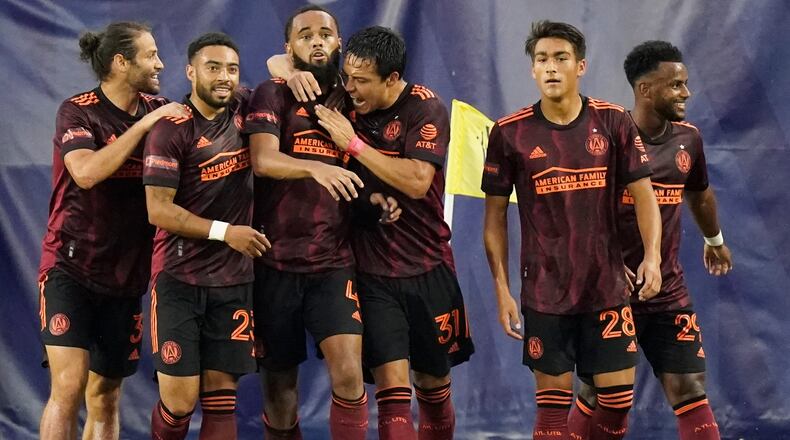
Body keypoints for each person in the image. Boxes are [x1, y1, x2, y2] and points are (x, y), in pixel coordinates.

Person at [481, 20, 662, 440]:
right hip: (546, 291)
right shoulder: (510, 133)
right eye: (541, 59)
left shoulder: (614, 121)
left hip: (607, 287)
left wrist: (651, 256)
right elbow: (493, 221)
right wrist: (502, 289)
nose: (550, 67)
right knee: (551, 414)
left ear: (580, 66)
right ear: (531, 70)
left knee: (616, 407)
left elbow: (645, 197)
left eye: (560, 58)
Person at [243, 6, 398, 439]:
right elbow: (262, 159)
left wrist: (379, 199)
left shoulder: (352, 99)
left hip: (333, 263)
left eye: (325, 34)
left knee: (349, 376)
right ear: (289, 47)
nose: (316, 41)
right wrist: (316, 167)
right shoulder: (271, 93)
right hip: (273, 263)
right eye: (305, 35)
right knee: (280, 392)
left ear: (339, 43)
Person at [315, 26, 474, 440]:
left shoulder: (426, 108)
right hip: (371, 273)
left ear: (392, 78)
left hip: (429, 266)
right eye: (346, 76)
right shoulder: (343, 99)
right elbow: (282, 67)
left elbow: (419, 181)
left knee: (434, 389)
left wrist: (354, 145)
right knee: (393, 393)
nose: (349, 88)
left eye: (361, 80)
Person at [567, 40, 732, 440]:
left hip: (667, 290)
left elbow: (699, 193)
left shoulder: (688, 139)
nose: (686, 93)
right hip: (607, 291)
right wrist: (605, 265)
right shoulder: (603, 140)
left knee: (691, 389)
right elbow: (574, 213)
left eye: (685, 83)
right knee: (602, 395)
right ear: (645, 90)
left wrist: (714, 239)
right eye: (675, 85)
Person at [38, 21, 189, 440]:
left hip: (127, 275)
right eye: (151, 55)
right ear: (121, 63)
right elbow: (85, 172)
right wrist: (143, 126)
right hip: (70, 269)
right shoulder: (78, 109)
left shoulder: (161, 112)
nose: (161, 63)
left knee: (105, 394)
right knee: (67, 388)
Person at [143, 32, 269, 440]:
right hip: (180, 279)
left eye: (232, 69)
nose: (224, 77)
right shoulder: (171, 127)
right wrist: (225, 232)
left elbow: (280, 77)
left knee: (222, 399)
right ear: (190, 71)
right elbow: (158, 210)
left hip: (234, 283)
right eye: (213, 67)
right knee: (179, 403)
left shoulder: (247, 109)